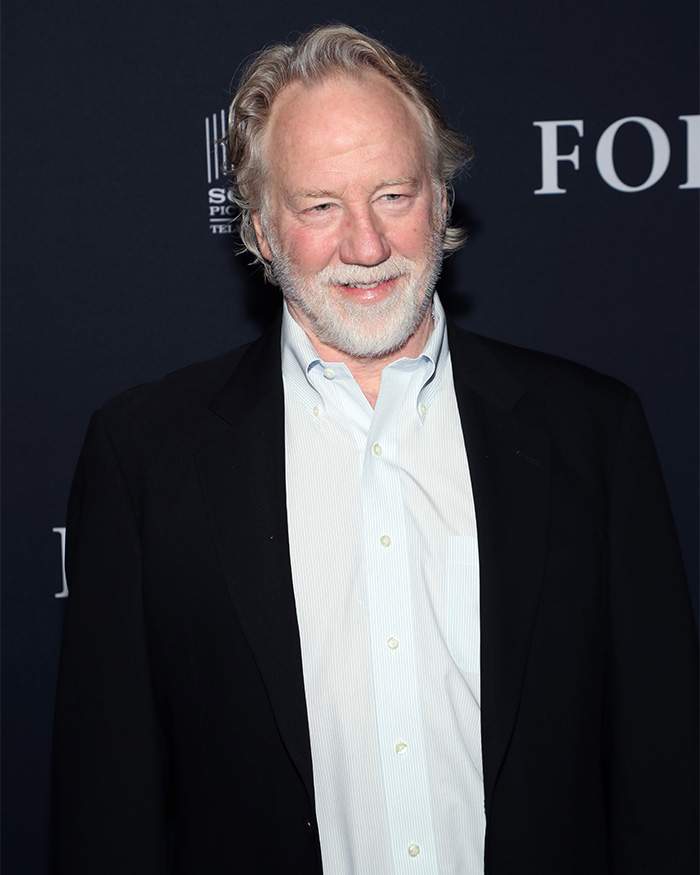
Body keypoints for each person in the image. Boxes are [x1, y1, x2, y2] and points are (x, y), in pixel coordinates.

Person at [52, 24, 698, 875]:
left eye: (393, 194)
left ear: (440, 197)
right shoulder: (143, 460)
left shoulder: (593, 434)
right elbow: (108, 821)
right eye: (320, 206)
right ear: (261, 228)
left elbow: (667, 791)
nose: (365, 245)